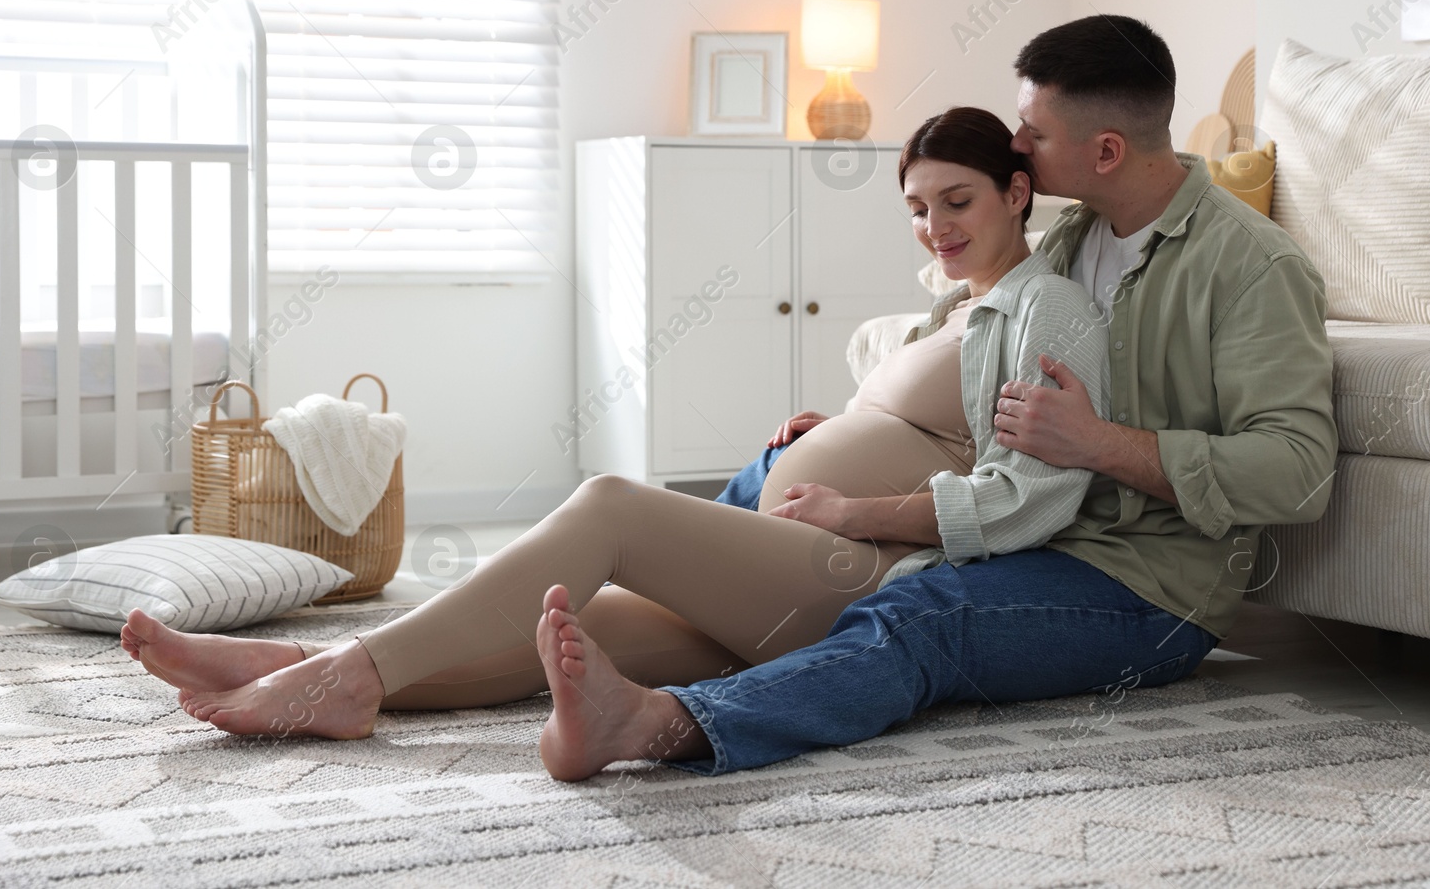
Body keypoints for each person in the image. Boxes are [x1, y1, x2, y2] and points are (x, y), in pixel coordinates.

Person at [120, 106, 1111, 739]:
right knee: (567, 627)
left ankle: (345, 670)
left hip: (857, 574)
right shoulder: (953, 305)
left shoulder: (1044, 306)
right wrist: (833, 424)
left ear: (1017, 193)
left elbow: (1025, 496)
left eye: (957, 200)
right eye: (915, 206)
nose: (933, 225)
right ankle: (292, 672)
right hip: (782, 566)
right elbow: (941, 420)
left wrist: (854, 504)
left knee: (608, 506)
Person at [528, 14, 1339, 780]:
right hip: (1027, 536)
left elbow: (1298, 473)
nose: (1014, 142)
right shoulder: (1069, 235)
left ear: (1106, 150)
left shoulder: (1252, 268)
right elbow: (975, 339)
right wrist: (857, 424)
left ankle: (658, 723)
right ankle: (442, 670)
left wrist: (1098, 443)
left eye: (1035, 133)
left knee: (921, 615)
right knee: (752, 493)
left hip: (1146, 590)